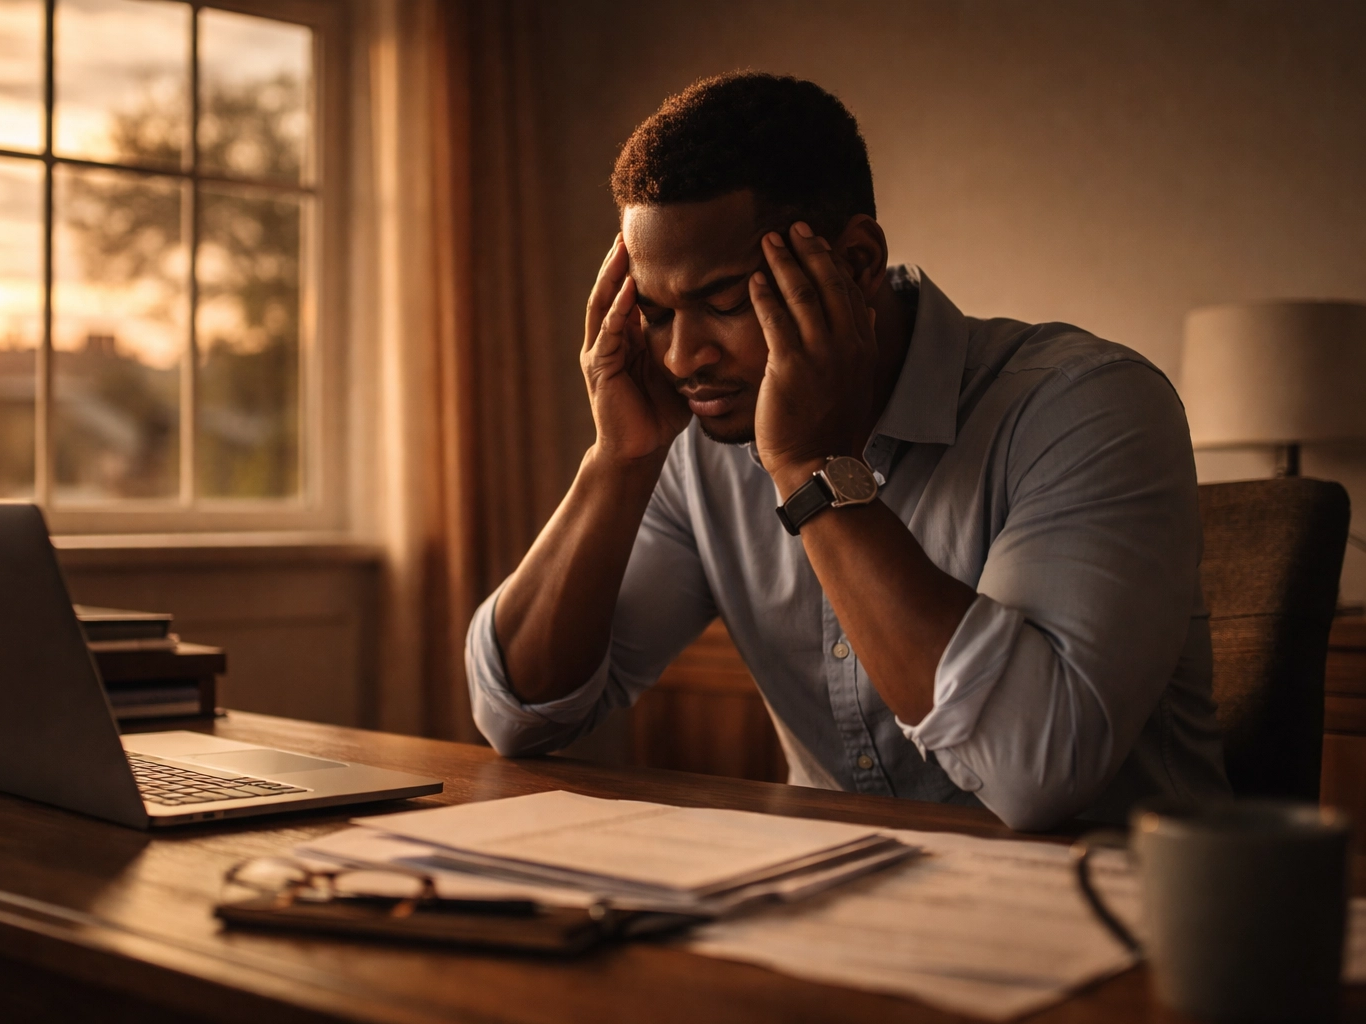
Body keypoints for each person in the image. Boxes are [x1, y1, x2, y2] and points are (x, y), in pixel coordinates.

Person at [464, 72, 1229, 831]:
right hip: (834, 904)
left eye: (726, 303)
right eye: (658, 314)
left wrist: (810, 469)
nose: (680, 357)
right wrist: (617, 461)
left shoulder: (1087, 407)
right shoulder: (693, 442)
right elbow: (519, 717)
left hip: (1114, 917)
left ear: (857, 262)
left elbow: (1033, 775)